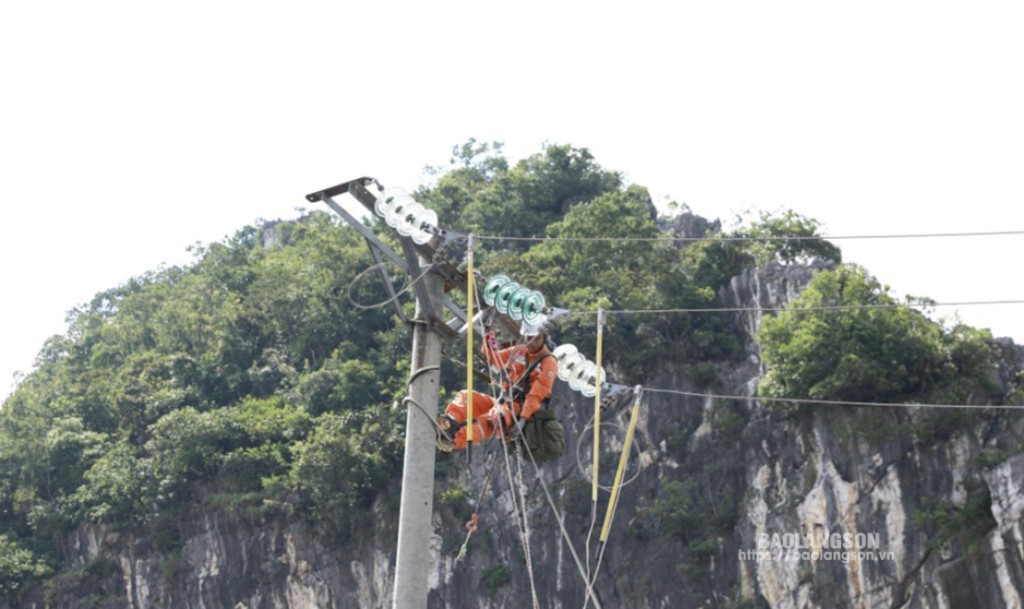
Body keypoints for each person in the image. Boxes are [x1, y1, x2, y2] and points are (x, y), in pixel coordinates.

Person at [437, 315, 557, 452]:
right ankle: (447, 424)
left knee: (492, 418)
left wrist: (523, 419)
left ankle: (454, 442)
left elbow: (535, 396)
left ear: (544, 337)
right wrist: (488, 335)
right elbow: (494, 357)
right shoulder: (519, 351)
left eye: (537, 338)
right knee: (467, 396)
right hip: (504, 401)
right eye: (529, 338)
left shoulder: (548, 364)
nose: (533, 342)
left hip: (520, 409)